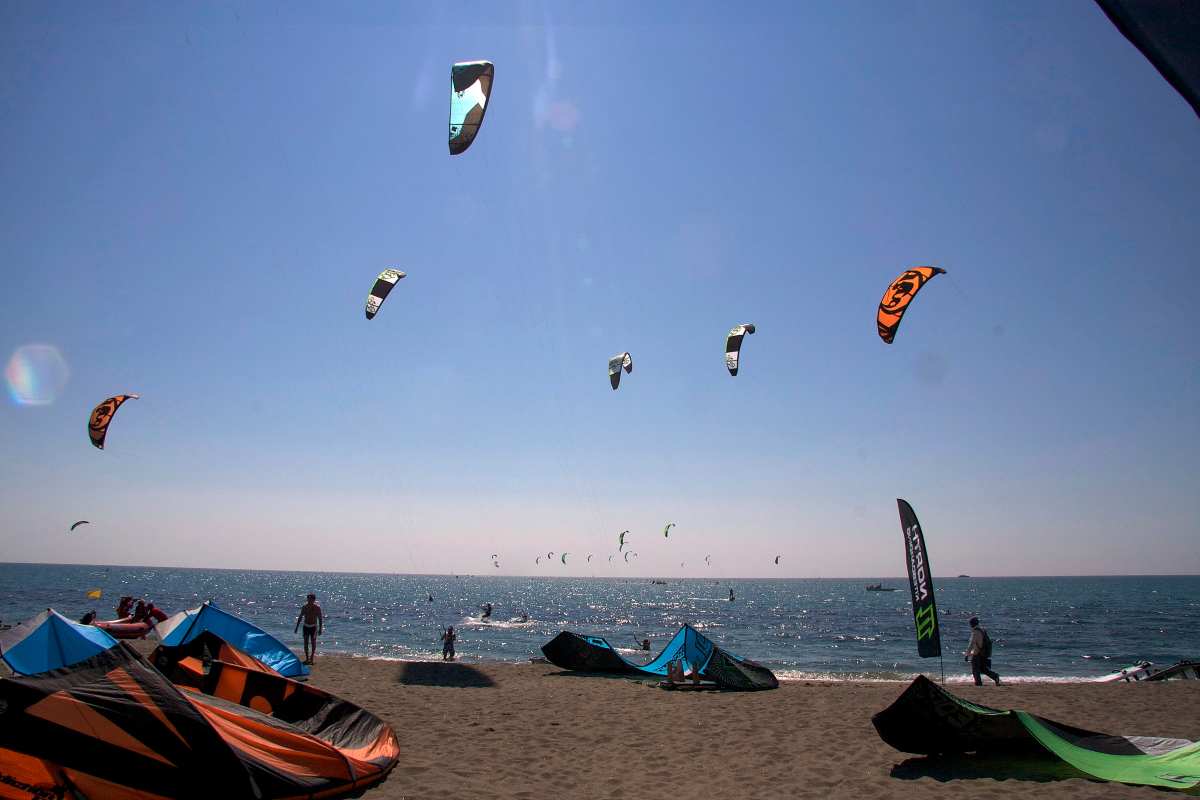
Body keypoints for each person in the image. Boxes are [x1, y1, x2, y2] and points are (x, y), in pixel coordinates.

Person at [964, 616, 1001, 686]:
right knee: (984, 669)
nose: (970, 625)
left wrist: (967, 654)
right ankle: (995, 676)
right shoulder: (982, 630)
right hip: (983, 653)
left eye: (970, 623)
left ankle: (978, 683)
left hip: (977, 653)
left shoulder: (975, 632)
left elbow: (971, 644)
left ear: (972, 624)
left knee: (975, 669)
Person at [294, 593, 324, 665]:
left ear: (314, 600)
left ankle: (312, 658)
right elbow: (300, 617)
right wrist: (297, 627)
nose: (309, 601)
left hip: (313, 627)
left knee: (313, 642)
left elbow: (320, 618)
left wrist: (320, 629)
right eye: (308, 599)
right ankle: (307, 659)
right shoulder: (304, 607)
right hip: (306, 626)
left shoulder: (317, 608)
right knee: (306, 643)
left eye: (311, 599)